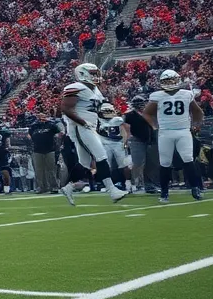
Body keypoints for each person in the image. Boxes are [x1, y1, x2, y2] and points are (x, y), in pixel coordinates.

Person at [59, 62, 130, 206]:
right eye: (92, 74)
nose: (96, 76)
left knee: (84, 163)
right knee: (101, 155)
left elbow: (95, 111)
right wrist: (83, 123)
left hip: (90, 126)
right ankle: (112, 190)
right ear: (82, 74)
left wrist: (105, 123)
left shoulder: (95, 90)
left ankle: (68, 187)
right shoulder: (76, 87)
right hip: (81, 126)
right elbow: (66, 109)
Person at [143, 69, 205, 202]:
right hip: (165, 132)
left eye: (172, 80)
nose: (170, 83)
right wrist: (154, 126)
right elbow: (146, 113)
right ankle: (164, 192)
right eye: (167, 81)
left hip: (183, 130)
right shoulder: (157, 96)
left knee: (188, 159)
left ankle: (195, 188)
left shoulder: (186, 94)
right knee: (165, 162)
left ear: (178, 80)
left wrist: (197, 125)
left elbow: (198, 112)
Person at [96, 103, 134, 193]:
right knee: (105, 165)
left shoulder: (118, 120)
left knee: (124, 165)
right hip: (104, 144)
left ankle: (128, 183)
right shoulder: (97, 120)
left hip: (118, 144)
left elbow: (126, 130)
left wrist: (126, 142)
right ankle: (108, 185)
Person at [125, 96, 156, 194]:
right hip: (136, 140)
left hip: (149, 140)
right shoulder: (129, 115)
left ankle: (149, 185)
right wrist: (127, 140)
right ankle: (134, 184)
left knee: (150, 164)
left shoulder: (149, 114)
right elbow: (127, 128)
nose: (142, 105)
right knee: (137, 163)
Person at [26, 111, 61, 194]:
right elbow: (29, 135)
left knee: (51, 169)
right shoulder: (34, 126)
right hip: (37, 150)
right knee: (39, 170)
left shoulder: (51, 125)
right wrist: (32, 140)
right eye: (39, 116)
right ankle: (42, 187)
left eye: (43, 116)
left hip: (50, 149)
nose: (41, 117)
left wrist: (57, 144)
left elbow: (59, 133)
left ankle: (54, 187)